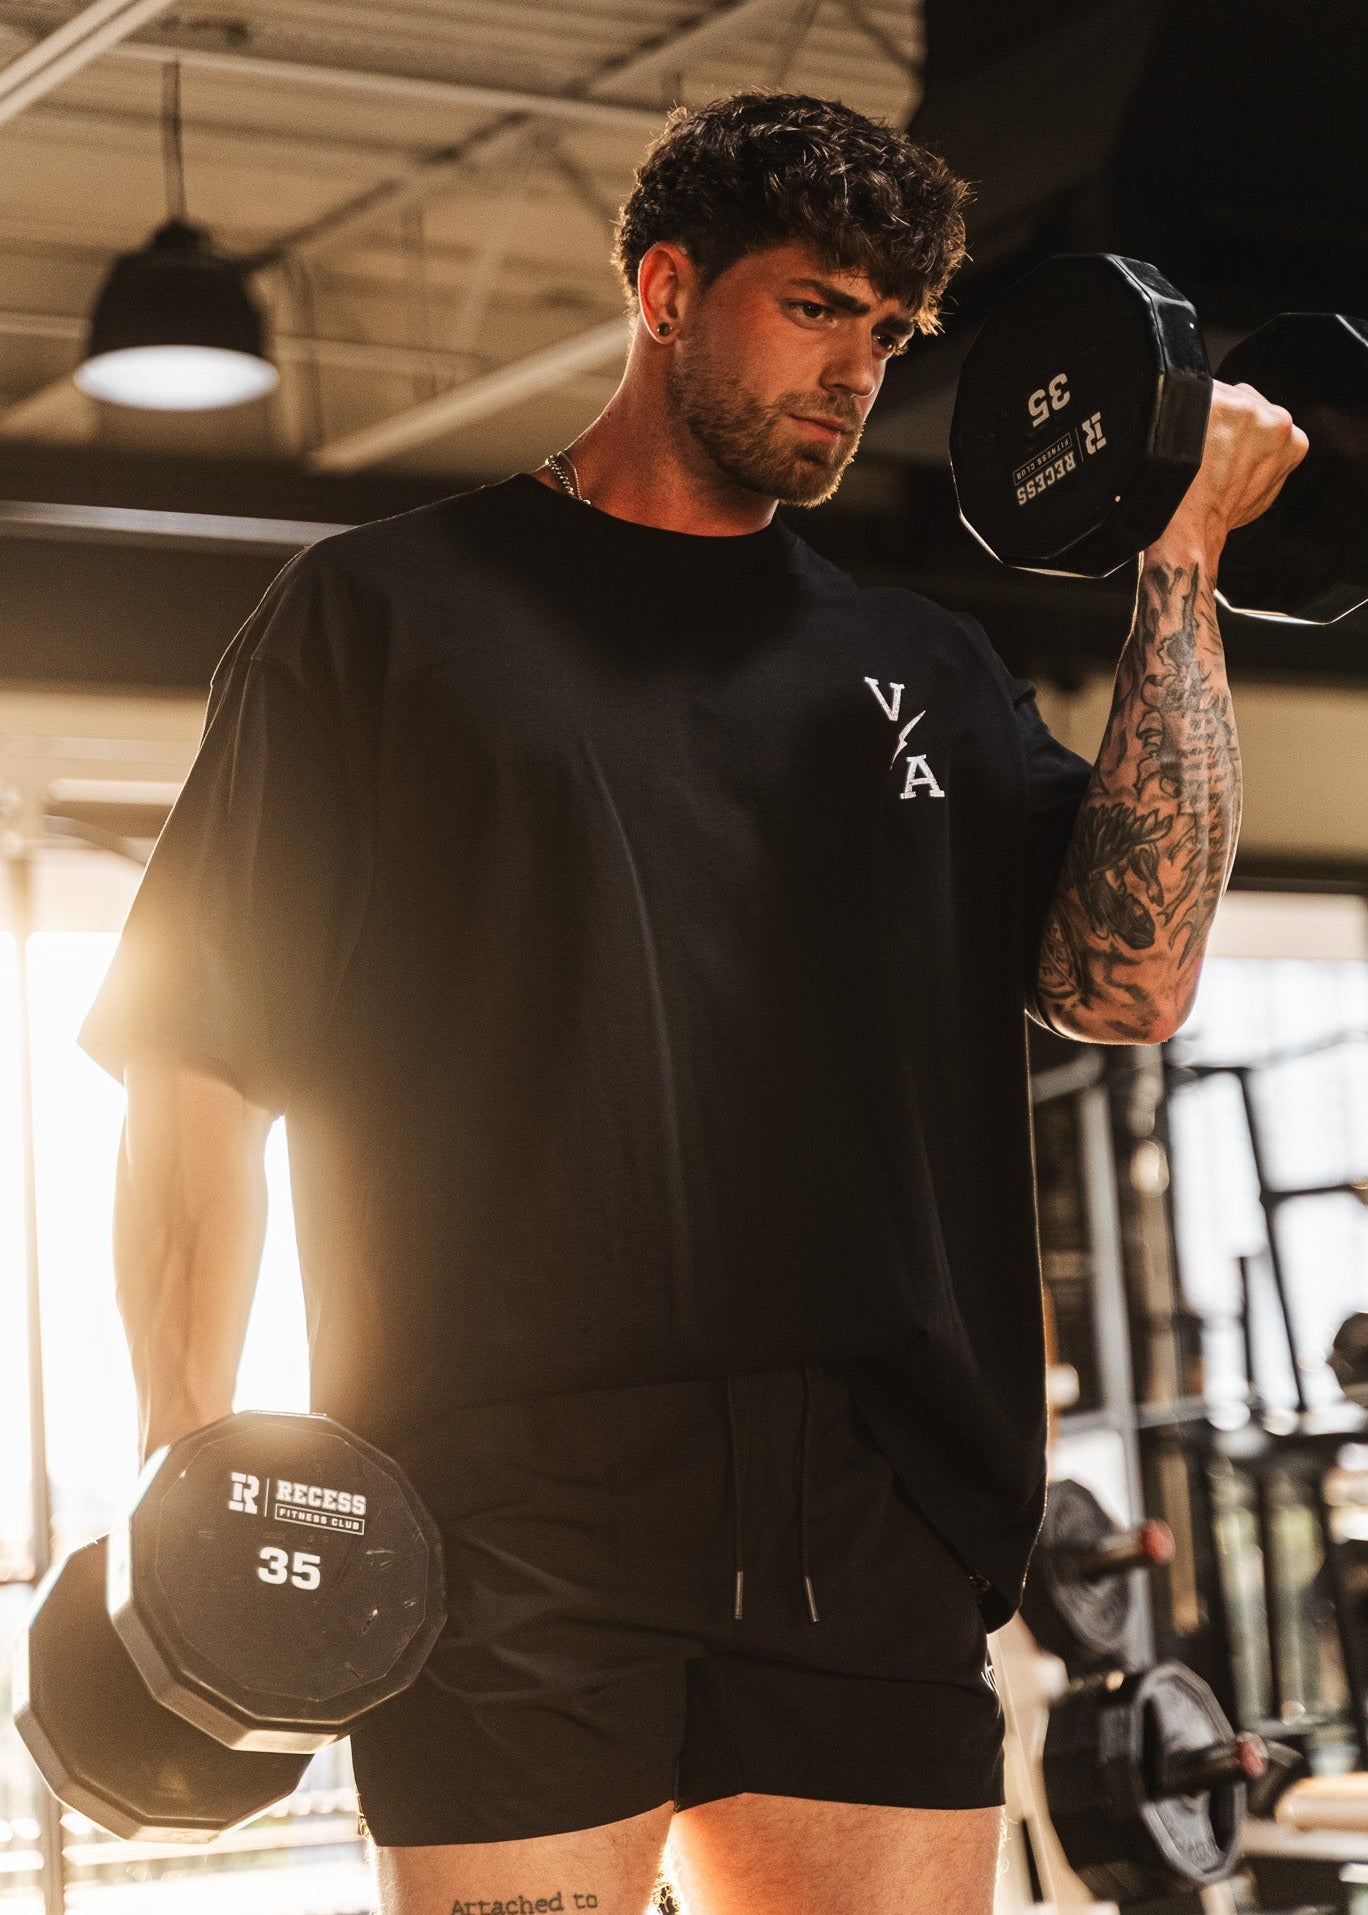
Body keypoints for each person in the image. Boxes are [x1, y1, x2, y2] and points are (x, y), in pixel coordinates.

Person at [79, 89, 1305, 1915]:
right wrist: (190, 1478)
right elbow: (200, 1070)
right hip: (504, 1502)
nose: (856, 372)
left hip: (871, 1503)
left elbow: (1132, 982)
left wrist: (1180, 571)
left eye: (888, 334)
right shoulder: (382, 619)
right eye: (815, 307)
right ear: (665, 290)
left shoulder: (924, 667)